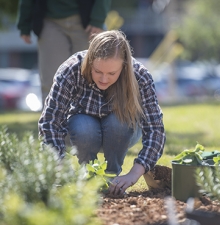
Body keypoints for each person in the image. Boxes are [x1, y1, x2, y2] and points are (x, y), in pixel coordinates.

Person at [38, 30, 166, 196]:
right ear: (90, 61)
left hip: (123, 130)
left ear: (124, 66)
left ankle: (113, 179)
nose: (104, 79)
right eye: (98, 71)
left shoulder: (140, 76)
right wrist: (58, 168)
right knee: (83, 126)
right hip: (81, 131)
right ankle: (90, 176)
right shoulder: (71, 70)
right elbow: (50, 122)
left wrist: (134, 174)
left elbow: (156, 129)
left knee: (118, 123)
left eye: (112, 73)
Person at [16, 0, 112, 103]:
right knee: (52, 80)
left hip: (87, 19)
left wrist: (98, 19)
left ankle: (94, 116)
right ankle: (52, 118)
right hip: (50, 20)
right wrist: (24, 23)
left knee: (92, 77)